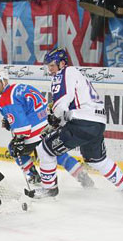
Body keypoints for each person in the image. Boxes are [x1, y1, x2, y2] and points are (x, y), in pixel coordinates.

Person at [34, 48, 123, 197]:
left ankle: (49, 189)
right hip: (98, 123)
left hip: (81, 123)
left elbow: (61, 105)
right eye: (48, 66)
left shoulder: (64, 73)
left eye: (52, 65)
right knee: (96, 160)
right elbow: (68, 108)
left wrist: (55, 120)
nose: (50, 70)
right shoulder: (77, 75)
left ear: (62, 63)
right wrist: (58, 122)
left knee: (45, 149)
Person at [0, 69, 94, 194]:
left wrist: (18, 138)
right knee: (56, 152)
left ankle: (33, 175)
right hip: (49, 125)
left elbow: (22, 125)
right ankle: (82, 175)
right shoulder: (21, 87)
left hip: (35, 130)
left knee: (14, 148)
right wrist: (9, 122)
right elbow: (30, 108)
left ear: (5, 81)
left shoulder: (6, 99)